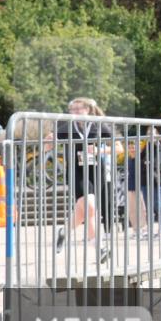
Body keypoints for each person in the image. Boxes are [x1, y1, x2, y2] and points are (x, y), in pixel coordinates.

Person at [46, 97, 122, 263]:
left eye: (80, 108)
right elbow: (47, 145)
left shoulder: (98, 125)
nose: (76, 112)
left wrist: (99, 150)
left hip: (97, 170)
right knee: (90, 205)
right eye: (73, 109)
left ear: (88, 110)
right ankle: (99, 248)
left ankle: (64, 232)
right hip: (76, 171)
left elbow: (118, 148)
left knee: (86, 210)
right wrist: (49, 141)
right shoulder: (65, 126)